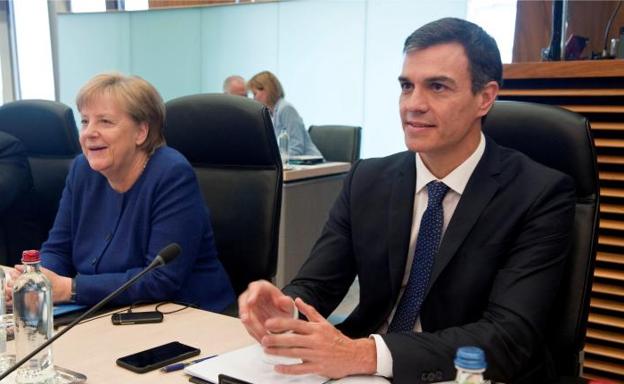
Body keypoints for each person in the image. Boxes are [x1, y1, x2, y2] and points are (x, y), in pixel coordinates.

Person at [238, 18, 575, 383]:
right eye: (406, 86)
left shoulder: (539, 194)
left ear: (485, 98)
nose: (413, 105)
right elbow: (319, 284)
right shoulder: (367, 179)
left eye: (437, 87)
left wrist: (367, 353)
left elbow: (509, 338)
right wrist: (286, 308)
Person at [10, 73, 235, 312]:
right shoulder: (81, 170)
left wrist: (69, 288)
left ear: (141, 132)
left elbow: (161, 279)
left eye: (105, 122)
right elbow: (58, 248)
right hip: (107, 312)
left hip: (187, 315)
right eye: (85, 121)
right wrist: (36, 280)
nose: (89, 133)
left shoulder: (171, 174)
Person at [247, 71, 323, 158]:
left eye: (255, 93)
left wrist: (279, 163)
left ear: (267, 90)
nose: (254, 98)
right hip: (295, 165)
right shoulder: (272, 113)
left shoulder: (285, 109)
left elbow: (296, 147)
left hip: (311, 165)